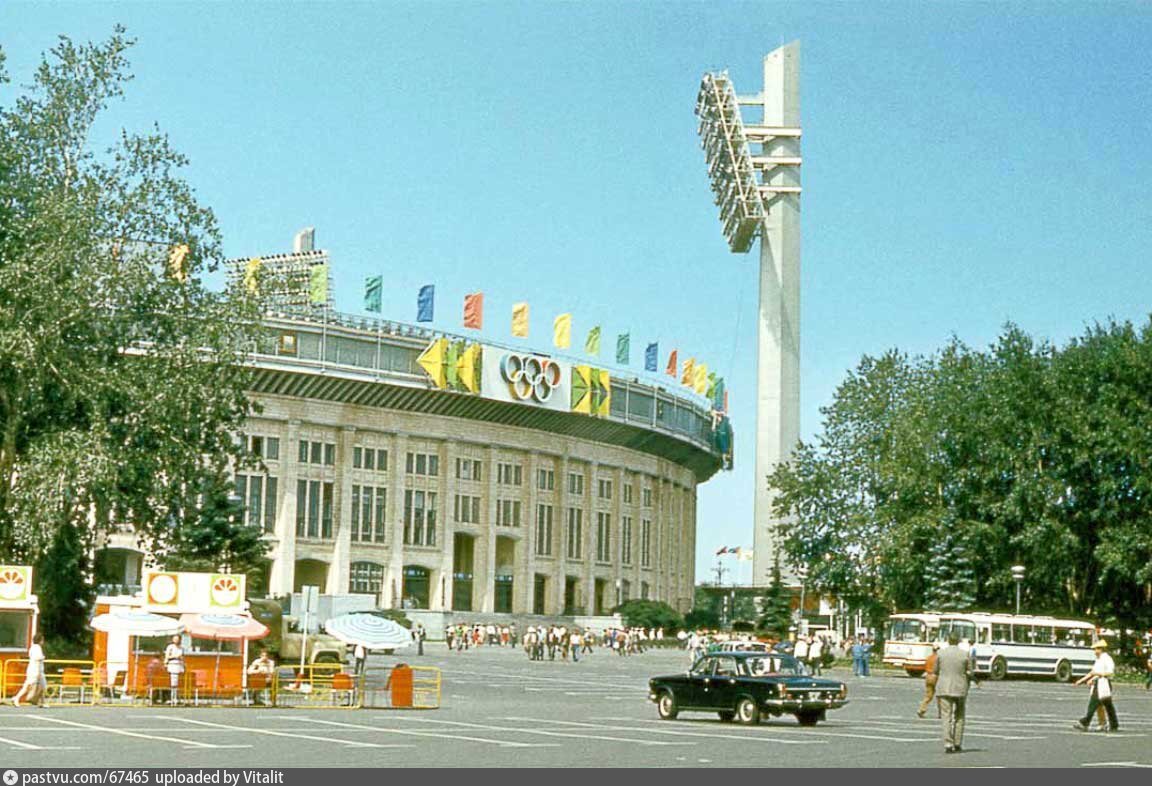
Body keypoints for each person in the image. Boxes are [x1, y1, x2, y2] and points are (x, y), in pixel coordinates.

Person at [934, 631, 973, 753]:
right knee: (960, 716)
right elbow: (970, 671)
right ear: (959, 641)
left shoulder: (940, 653)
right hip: (960, 688)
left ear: (948, 640)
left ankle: (948, 744)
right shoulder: (965, 654)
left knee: (946, 716)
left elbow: (935, 670)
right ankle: (957, 743)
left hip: (944, 687)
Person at [1074, 639, 1119, 733]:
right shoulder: (1099, 659)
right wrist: (1082, 680)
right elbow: (1092, 672)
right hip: (1099, 682)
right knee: (1108, 705)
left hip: (1103, 683)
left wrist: (1098, 674)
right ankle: (1113, 724)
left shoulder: (1107, 659)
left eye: (1096, 649)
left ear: (1101, 649)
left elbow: (1110, 672)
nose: (1095, 651)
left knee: (1093, 704)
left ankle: (1084, 723)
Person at [12, 633, 47, 707]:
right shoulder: (37, 648)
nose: (43, 641)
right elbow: (37, 660)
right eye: (42, 640)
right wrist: (38, 673)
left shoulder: (33, 647)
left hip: (35, 669)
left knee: (43, 685)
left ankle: (42, 702)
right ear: (40, 640)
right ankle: (16, 698)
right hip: (35, 670)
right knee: (29, 685)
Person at [918, 643, 940, 718]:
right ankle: (941, 713)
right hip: (936, 677)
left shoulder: (928, 658)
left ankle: (921, 709)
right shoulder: (938, 658)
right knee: (939, 696)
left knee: (928, 695)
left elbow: (925, 667)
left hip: (928, 676)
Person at [163, 634, 185, 706]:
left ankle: (177, 698)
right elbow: (167, 656)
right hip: (172, 665)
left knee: (178, 683)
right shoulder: (170, 647)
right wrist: (175, 656)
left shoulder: (181, 648)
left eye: (177, 639)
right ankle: (172, 698)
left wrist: (183, 663)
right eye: (175, 639)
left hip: (179, 665)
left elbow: (183, 657)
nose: (176, 640)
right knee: (173, 683)